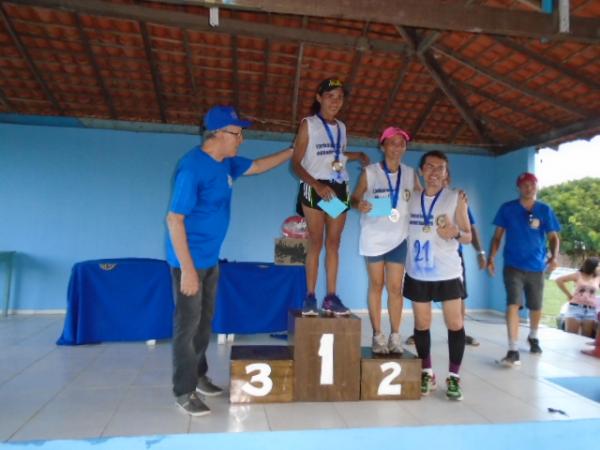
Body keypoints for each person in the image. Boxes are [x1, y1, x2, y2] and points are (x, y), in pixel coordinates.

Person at [166, 105, 293, 416]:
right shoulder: (192, 168)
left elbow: (260, 166)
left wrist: (293, 151)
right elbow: (174, 220)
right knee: (187, 326)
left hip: (211, 260)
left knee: (204, 323)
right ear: (218, 134)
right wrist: (187, 270)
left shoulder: (226, 163)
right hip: (190, 261)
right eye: (238, 133)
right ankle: (183, 391)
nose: (242, 139)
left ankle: (198, 375)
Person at [292, 78, 369, 316]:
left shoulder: (342, 128)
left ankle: (331, 297)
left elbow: (336, 154)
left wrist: (355, 155)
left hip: (337, 187)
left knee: (334, 243)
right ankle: (310, 297)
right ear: (319, 98)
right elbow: (295, 163)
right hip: (315, 187)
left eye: (339, 97)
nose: (335, 101)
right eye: (330, 96)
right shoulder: (308, 124)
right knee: (316, 242)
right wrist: (315, 185)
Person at [403, 150, 472, 401]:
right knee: (422, 325)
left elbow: (468, 235)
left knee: (455, 324)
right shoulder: (411, 198)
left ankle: (454, 377)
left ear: (446, 174)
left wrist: (455, 232)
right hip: (418, 273)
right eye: (429, 167)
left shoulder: (456, 198)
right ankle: (427, 373)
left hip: (448, 272)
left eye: (440, 168)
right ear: (421, 171)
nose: (434, 172)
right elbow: (388, 213)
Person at [350, 126, 420, 354]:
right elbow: (354, 198)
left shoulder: (410, 173)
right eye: (392, 143)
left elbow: (423, 197)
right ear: (383, 146)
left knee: (395, 288)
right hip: (373, 238)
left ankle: (395, 335)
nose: (397, 147)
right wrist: (358, 204)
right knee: (376, 285)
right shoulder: (370, 172)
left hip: (399, 238)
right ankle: (378, 335)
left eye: (402, 143)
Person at [487, 172, 560, 367]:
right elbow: (497, 236)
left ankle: (533, 336)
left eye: (532, 184)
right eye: (525, 184)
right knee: (513, 304)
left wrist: (554, 256)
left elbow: (553, 237)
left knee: (535, 306)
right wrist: (491, 257)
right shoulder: (507, 209)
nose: (529, 187)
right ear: (519, 187)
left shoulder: (544, 210)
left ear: (536, 186)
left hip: (537, 266)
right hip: (513, 265)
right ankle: (512, 349)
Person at [555, 257, 599, 337]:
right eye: (598, 266)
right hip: (575, 308)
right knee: (571, 336)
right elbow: (559, 280)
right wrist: (568, 294)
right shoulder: (578, 274)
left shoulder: (598, 278)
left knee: (586, 338)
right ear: (592, 266)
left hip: (590, 311)